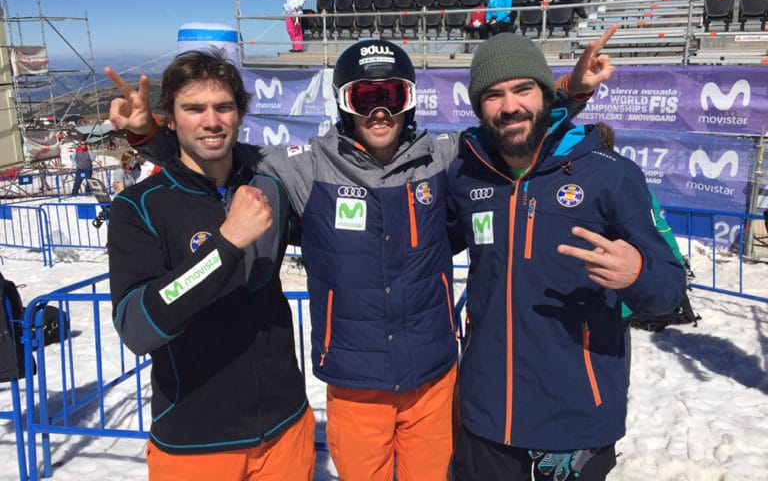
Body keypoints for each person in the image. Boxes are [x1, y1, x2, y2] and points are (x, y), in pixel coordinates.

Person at [107, 30, 616, 481]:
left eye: (392, 95)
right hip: (354, 383)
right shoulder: (303, 168)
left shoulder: (440, 159)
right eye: (365, 95)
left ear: (409, 101)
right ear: (345, 103)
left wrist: (570, 93)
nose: (380, 109)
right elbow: (215, 153)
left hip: (432, 375)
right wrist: (149, 136)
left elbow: (508, 130)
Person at [447, 33, 686, 481]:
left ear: (545, 94)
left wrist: (637, 273)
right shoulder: (464, 175)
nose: (509, 106)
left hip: (576, 421)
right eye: (493, 95)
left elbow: (669, 290)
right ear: (479, 108)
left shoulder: (610, 175)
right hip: (485, 417)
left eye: (522, 89)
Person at [106, 50, 315, 481]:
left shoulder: (268, 184)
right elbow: (137, 326)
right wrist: (226, 244)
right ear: (171, 117)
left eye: (223, 107)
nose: (211, 121)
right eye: (193, 109)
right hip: (195, 442)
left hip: (285, 427)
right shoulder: (138, 207)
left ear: (240, 113)